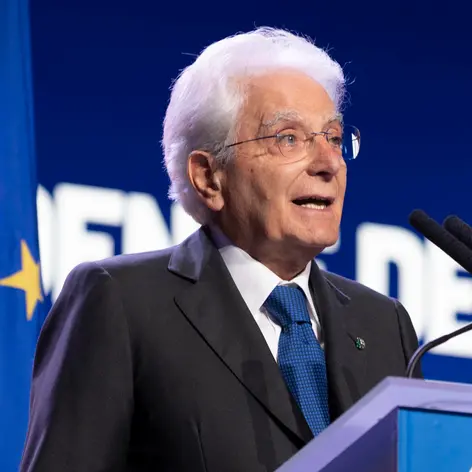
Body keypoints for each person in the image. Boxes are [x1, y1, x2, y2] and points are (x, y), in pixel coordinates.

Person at [20, 27, 421, 472]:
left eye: (332, 137)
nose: (328, 163)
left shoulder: (385, 326)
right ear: (209, 177)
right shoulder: (121, 303)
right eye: (288, 138)